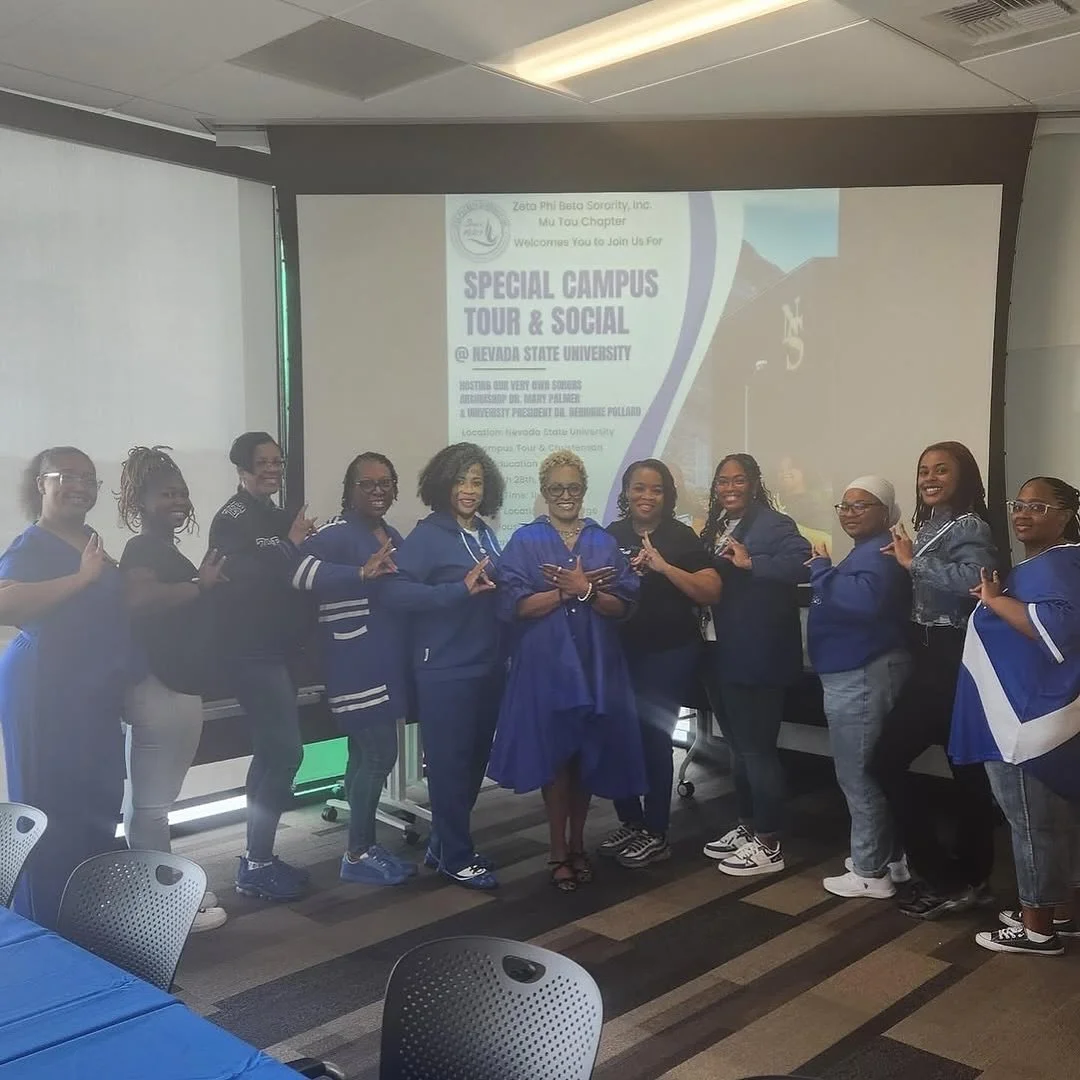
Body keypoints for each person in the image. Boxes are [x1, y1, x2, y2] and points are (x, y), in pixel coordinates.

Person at [489, 450, 644, 892]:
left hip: (597, 664)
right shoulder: (525, 540)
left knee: (586, 755)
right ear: (543, 492)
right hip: (546, 668)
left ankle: (579, 845)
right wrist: (566, 593)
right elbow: (515, 606)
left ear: (584, 490)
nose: (565, 496)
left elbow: (623, 607)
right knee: (556, 759)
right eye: (556, 488)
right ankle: (557, 850)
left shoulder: (602, 541)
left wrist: (588, 591)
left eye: (573, 488)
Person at [0, 448, 138, 928]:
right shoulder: (33, 543)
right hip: (44, 686)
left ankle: (87, 918)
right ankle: (44, 927)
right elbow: (6, 604)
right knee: (49, 808)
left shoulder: (89, 538)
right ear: (41, 484)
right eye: (67, 476)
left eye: (89, 478)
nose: (80, 485)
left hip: (92, 689)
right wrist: (82, 578)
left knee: (97, 800)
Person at [950, 477, 1080, 956]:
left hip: (1026, 723)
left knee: (1032, 824)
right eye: (1019, 505)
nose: (1023, 514)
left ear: (1066, 514)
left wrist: (995, 601)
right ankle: (1062, 913)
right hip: (1041, 716)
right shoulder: (1058, 562)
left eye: (1039, 506)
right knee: (1055, 822)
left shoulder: (1056, 566)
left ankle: (1036, 927)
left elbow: (1058, 628)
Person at [871, 441, 1000, 919]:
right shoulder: (929, 525)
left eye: (941, 470)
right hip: (930, 654)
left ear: (963, 477)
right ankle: (974, 879)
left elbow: (976, 578)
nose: (929, 477)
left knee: (885, 761)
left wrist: (912, 563)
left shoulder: (969, 525)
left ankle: (946, 878)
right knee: (966, 771)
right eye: (924, 469)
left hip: (950, 657)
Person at [382, 443, 504, 890]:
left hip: (487, 666)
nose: (469, 489)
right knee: (450, 765)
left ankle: (443, 843)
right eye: (459, 480)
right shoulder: (429, 536)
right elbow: (393, 593)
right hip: (445, 670)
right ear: (442, 484)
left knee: (473, 762)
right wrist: (456, 593)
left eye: (476, 481)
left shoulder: (486, 533)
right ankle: (456, 855)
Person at [117, 446, 228, 931]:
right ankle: (162, 906)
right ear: (140, 502)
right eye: (166, 494)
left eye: (181, 492)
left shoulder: (164, 550)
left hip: (171, 686)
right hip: (159, 689)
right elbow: (138, 601)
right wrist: (200, 587)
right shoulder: (143, 549)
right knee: (152, 805)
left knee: (149, 801)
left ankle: (155, 885)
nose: (178, 501)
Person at [293, 452, 416, 887]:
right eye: (368, 483)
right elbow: (299, 572)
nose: (378, 490)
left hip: (385, 660)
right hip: (352, 662)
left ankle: (361, 847)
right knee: (382, 752)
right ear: (350, 490)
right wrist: (359, 573)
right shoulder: (334, 533)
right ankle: (358, 852)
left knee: (363, 754)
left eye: (386, 482)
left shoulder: (393, 533)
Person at [209, 431, 316, 902]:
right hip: (251, 653)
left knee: (272, 755)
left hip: (284, 650)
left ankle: (258, 859)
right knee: (286, 753)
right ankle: (256, 862)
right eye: (263, 462)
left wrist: (294, 545)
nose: (272, 469)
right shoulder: (230, 519)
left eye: (278, 460)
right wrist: (290, 546)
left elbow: (290, 574)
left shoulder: (279, 515)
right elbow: (242, 579)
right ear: (241, 468)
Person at [602, 459, 721, 868]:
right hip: (619, 652)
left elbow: (711, 590)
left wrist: (663, 567)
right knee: (616, 736)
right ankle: (630, 822)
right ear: (627, 491)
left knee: (654, 738)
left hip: (668, 652)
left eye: (655, 489)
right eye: (639, 488)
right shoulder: (610, 535)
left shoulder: (679, 535)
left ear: (667, 495)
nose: (646, 496)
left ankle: (656, 831)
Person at [699, 453, 811, 877]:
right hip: (718, 651)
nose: (729, 487)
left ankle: (769, 841)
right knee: (738, 746)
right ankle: (747, 826)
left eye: (738, 480)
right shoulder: (715, 527)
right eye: (722, 480)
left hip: (758, 654)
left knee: (757, 749)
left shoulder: (774, 524)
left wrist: (753, 563)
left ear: (753, 483)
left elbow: (805, 562)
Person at [806, 476, 912, 899]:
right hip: (857, 673)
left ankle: (870, 871)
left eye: (861, 505)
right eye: (844, 506)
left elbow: (863, 602)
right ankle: (891, 859)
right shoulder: (870, 550)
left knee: (858, 773)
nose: (849, 512)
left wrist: (819, 571)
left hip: (862, 674)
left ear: (886, 513)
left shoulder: (881, 553)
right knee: (871, 770)